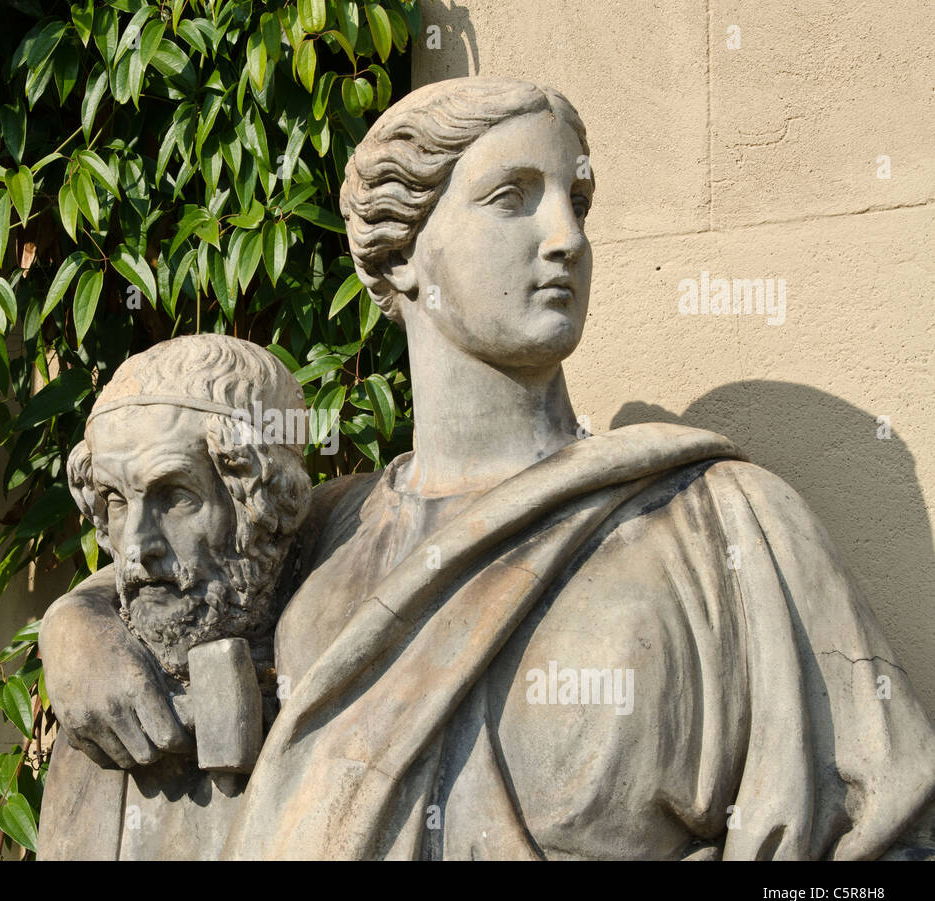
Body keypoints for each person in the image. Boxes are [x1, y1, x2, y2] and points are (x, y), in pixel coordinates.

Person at [47, 78, 935, 860]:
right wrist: (75, 626)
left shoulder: (725, 528)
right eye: (513, 198)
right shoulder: (318, 535)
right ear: (402, 255)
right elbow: (164, 574)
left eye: (577, 202)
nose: (567, 239)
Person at [37, 335, 310, 860]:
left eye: (177, 498)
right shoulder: (101, 703)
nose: (137, 548)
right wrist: (70, 618)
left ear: (262, 502)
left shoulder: (352, 559)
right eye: (117, 499)